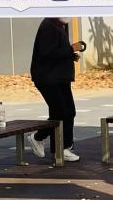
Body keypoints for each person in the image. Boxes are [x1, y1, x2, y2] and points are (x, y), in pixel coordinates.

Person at [29, 15, 83, 162]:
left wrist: (70, 55)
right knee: (61, 112)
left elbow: (56, 51)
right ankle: (41, 139)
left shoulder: (57, 25)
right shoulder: (49, 26)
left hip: (59, 77)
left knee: (68, 111)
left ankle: (61, 148)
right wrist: (71, 49)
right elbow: (47, 53)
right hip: (48, 78)